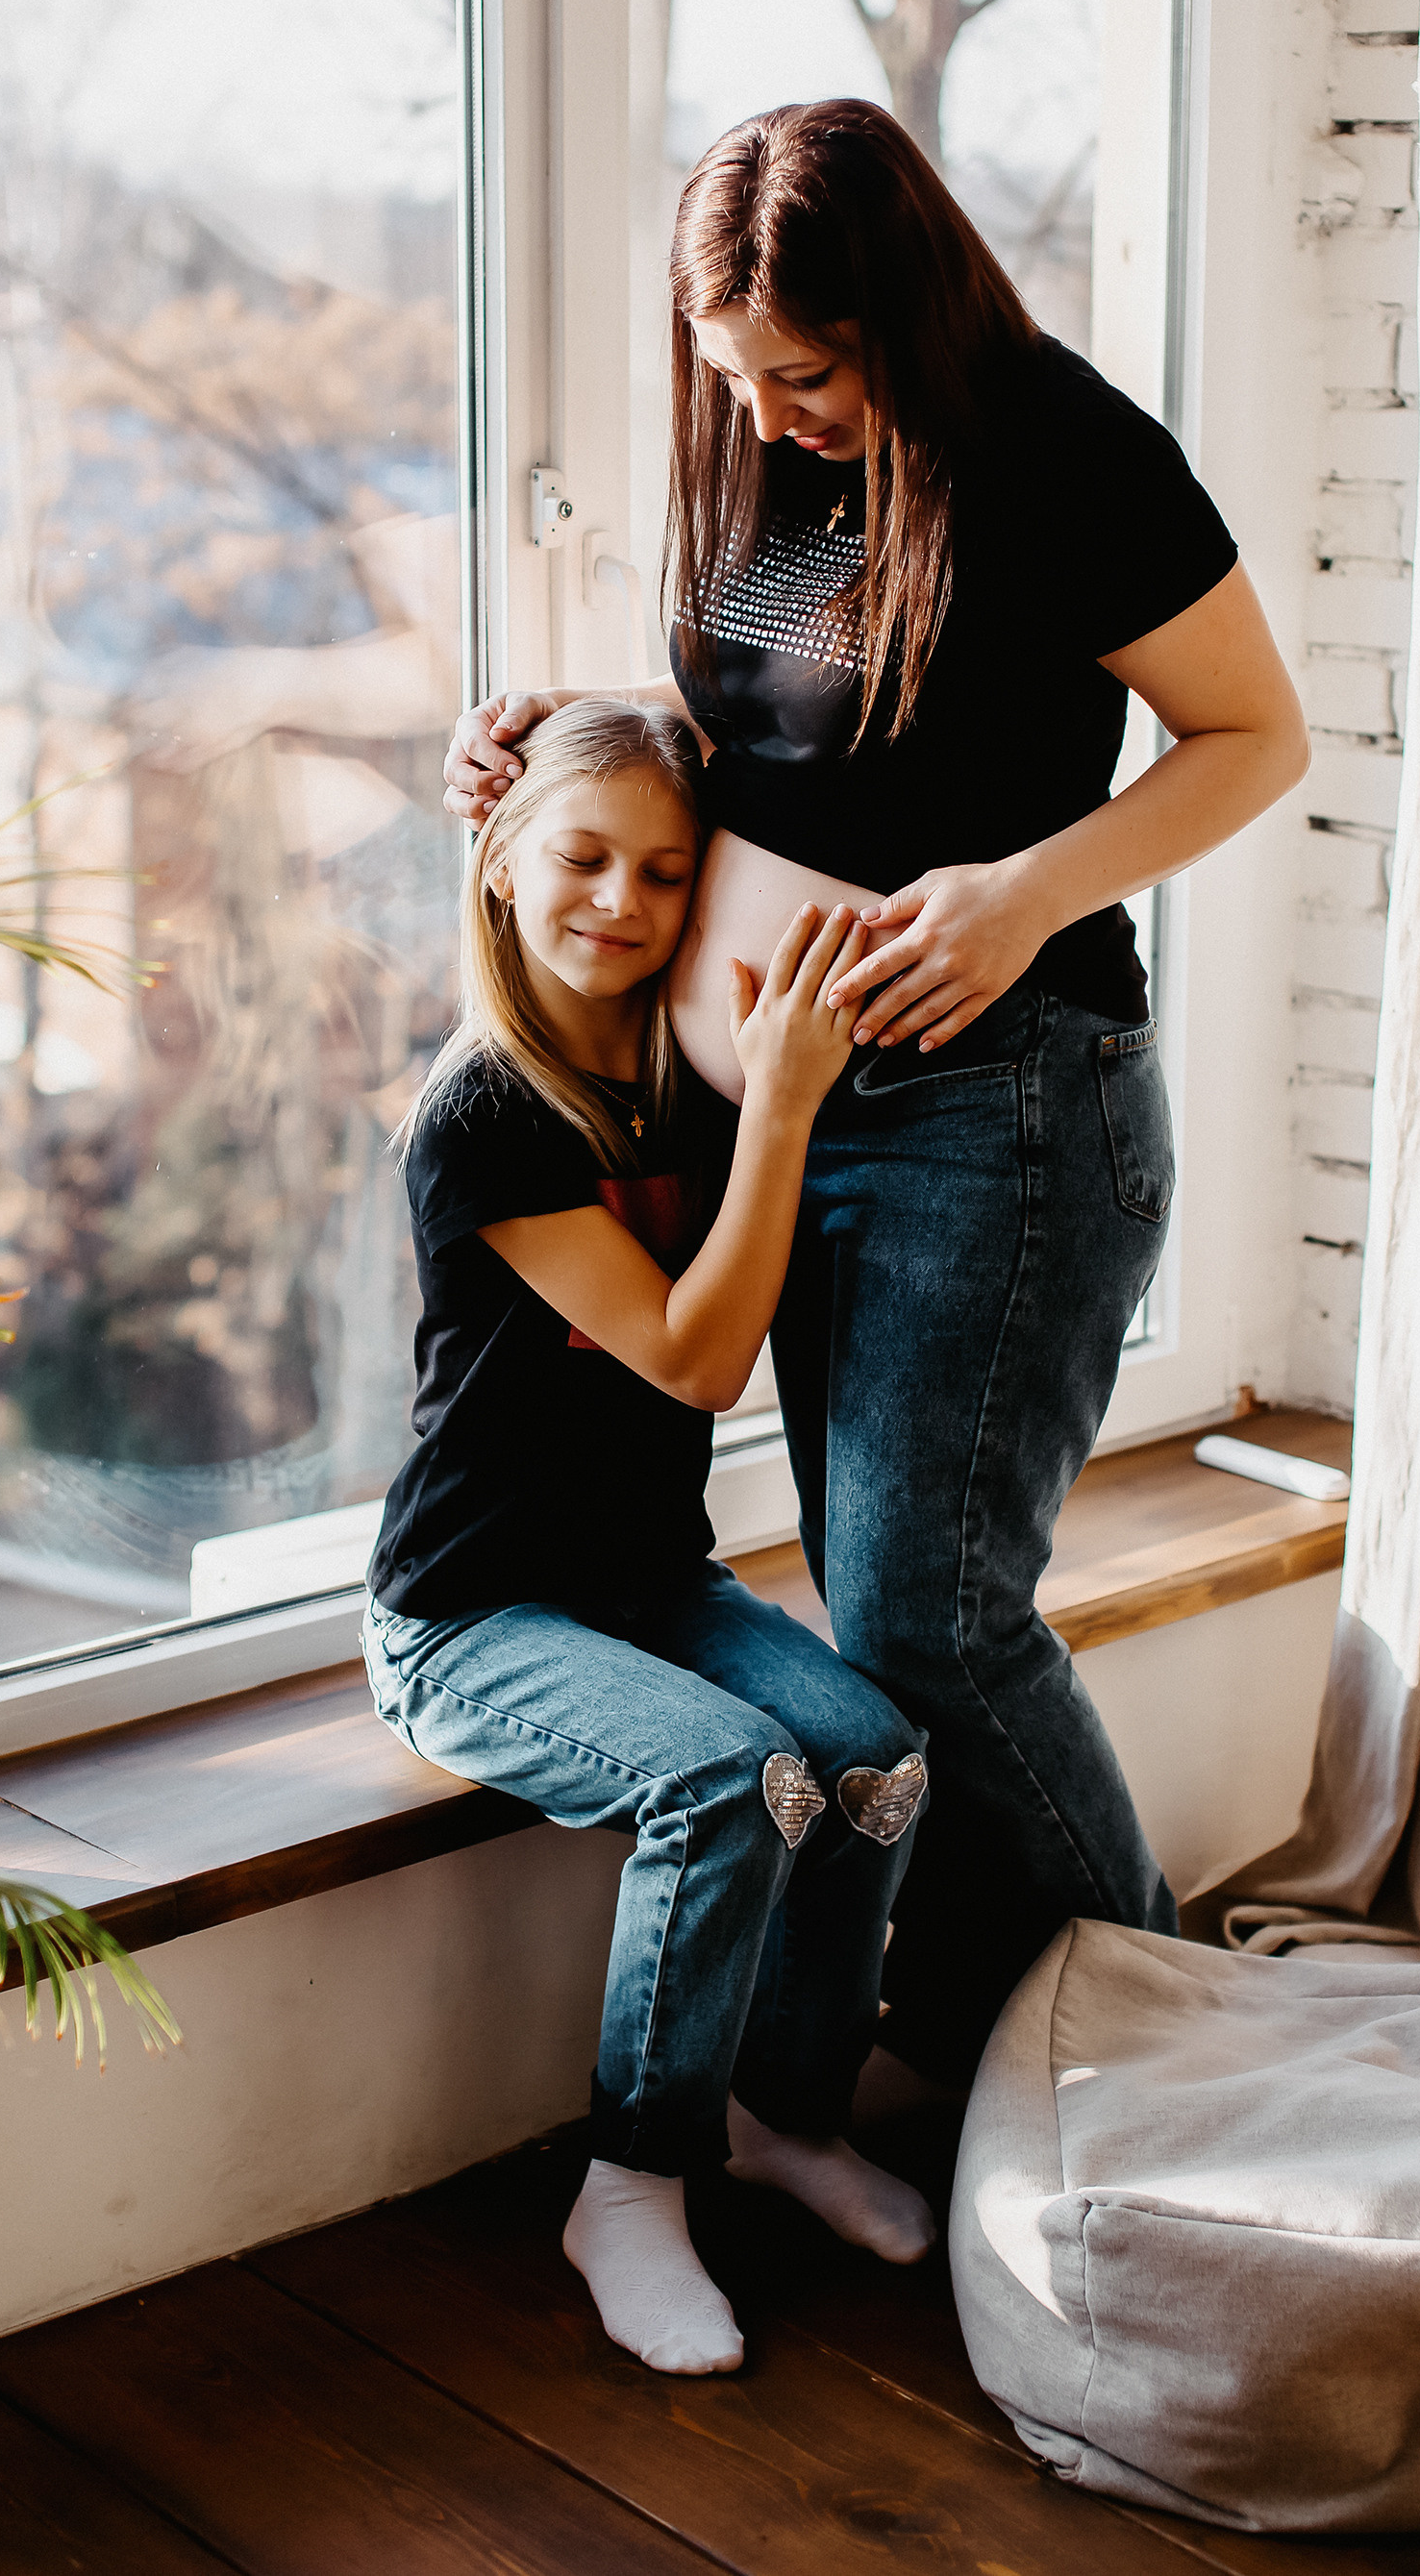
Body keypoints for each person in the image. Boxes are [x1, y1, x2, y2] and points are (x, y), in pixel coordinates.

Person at [442, 101, 1310, 2096]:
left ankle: (1171, 2050)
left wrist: (1028, 891)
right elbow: (786, 739)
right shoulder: (757, 456)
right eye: (736, 377)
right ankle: (1029, 2029)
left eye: (809, 375)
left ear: (905, 316)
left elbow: (1253, 735)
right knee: (886, 1607)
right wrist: (562, 751)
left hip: (1001, 1111)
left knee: (928, 1620)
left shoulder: (1069, 456)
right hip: (797, 1120)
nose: (772, 414)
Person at [364, 694, 934, 2379]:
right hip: (472, 1614)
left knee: (878, 1757)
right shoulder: (484, 1113)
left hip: (642, 1583)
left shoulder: (675, 1077)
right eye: (581, 857)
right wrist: (788, 1110)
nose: (619, 899)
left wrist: (601, 703)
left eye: (664, 873)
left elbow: (719, 728)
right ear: (498, 861)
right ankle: (628, 2183)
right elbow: (701, 1353)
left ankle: (781, 2115)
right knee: (727, 1780)